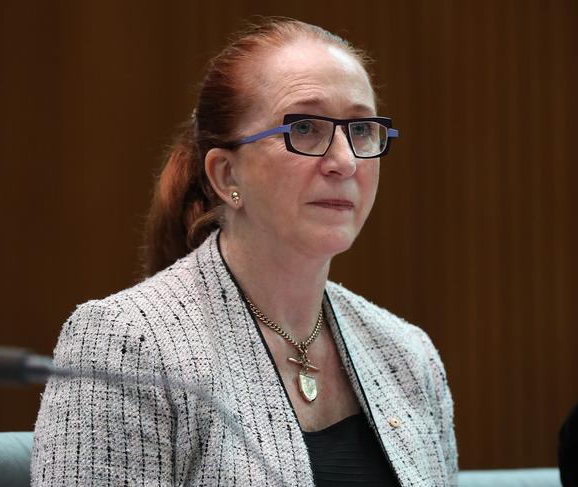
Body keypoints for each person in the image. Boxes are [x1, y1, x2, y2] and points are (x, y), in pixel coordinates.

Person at [31, 18, 458, 486]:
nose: (345, 162)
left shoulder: (407, 356)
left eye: (360, 131)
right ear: (227, 175)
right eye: (306, 128)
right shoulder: (126, 346)